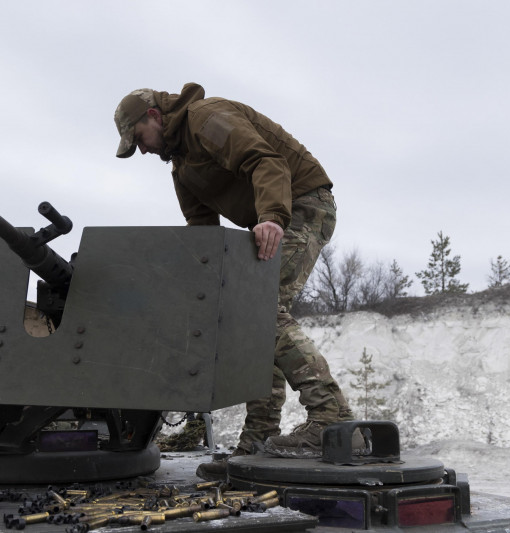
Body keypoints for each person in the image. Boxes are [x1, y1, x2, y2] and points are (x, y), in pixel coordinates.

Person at [113, 83, 355, 479]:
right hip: (275, 214)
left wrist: (272, 217)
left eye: (139, 138)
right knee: (250, 320)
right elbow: (201, 229)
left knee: (258, 311)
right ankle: (260, 436)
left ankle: (332, 417)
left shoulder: (205, 119)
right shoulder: (182, 166)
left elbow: (267, 162)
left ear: (154, 117)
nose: (142, 149)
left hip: (303, 203)